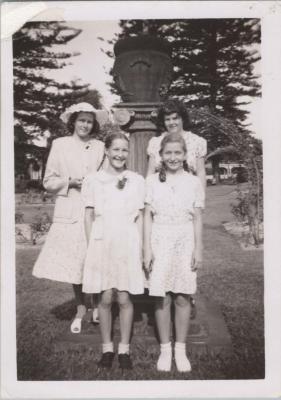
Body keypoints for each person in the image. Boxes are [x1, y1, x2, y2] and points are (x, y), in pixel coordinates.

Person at [33, 102, 107, 333]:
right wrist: (70, 182)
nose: (85, 125)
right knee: (76, 261)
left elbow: (107, 176)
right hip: (70, 208)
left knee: (94, 258)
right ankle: (81, 306)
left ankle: (96, 304)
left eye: (89, 121)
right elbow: (48, 181)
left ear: (93, 124)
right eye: (81, 120)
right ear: (73, 121)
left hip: (95, 209)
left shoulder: (100, 147)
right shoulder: (60, 145)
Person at [82, 132, 145, 370]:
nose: (120, 154)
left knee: (125, 296)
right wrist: (92, 247)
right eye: (115, 149)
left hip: (127, 240)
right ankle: (107, 348)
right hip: (102, 240)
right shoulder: (93, 180)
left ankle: (125, 350)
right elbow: (88, 215)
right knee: (106, 296)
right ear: (107, 151)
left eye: (124, 150)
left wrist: (139, 247)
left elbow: (139, 217)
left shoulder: (135, 180)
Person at [144, 133, 204, 372]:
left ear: (185, 155)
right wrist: (146, 248)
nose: (173, 157)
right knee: (162, 296)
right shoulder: (151, 181)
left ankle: (181, 349)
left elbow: (198, 217)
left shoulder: (193, 182)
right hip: (159, 239)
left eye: (177, 153)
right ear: (160, 155)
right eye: (168, 153)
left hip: (185, 239)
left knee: (182, 295)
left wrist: (198, 248)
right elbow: (147, 216)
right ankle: (165, 349)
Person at [146, 98, 207, 317]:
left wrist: (200, 199)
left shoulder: (196, 141)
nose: (172, 122)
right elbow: (151, 173)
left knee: (187, 251)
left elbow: (200, 172)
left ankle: (187, 298)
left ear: (183, 118)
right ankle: (163, 297)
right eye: (167, 119)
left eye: (175, 118)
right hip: (164, 194)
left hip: (188, 196)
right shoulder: (156, 143)